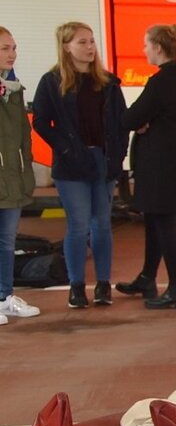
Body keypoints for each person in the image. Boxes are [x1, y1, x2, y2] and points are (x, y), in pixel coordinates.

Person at [32, 22, 128, 309]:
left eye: (91, 41)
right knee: (78, 226)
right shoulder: (52, 81)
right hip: (71, 164)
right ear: (66, 47)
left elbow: (121, 122)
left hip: (103, 161)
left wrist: (118, 155)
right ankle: (76, 286)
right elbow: (40, 121)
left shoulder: (108, 83)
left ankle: (102, 285)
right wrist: (64, 148)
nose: (90, 47)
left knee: (102, 225)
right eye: (82, 42)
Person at [117, 24, 176, 310]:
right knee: (155, 221)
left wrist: (140, 122)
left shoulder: (162, 81)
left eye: (146, 44)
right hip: (172, 164)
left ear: (158, 48)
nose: (144, 50)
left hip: (162, 166)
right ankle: (148, 277)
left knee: (163, 224)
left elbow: (128, 118)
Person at [0, 27, 40, 325]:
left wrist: (26, 172)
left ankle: (4, 297)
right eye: (4, 48)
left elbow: (22, 138)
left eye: (13, 47)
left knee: (6, 240)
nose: (12, 54)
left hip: (11, 178)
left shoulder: (14, 89)